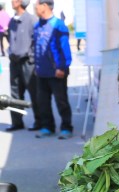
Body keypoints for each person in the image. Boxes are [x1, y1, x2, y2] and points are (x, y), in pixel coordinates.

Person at [33, 0, 73, 139]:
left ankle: (66, 127)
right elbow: (37, 48)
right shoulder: (37, 25)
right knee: (42, 102)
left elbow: (64, 49)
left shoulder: (58, 25)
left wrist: (62, 67)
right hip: (41, 72)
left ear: (44, 6)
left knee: (61, 101)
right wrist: (36, 67)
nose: (35, 8)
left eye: (36, 5)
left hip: (57, 71)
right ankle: (47, 126)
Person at [6, 0, 40, 132]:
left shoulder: (32, 20)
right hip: (14, 63)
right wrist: (10, 53)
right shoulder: (11, 21)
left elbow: (36, 42)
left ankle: (39, 121)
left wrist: (31, 58)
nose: (12, 2)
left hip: (27, 62)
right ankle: (17, 122)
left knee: (34, 93)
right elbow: (10, 39)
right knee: (14, 94)